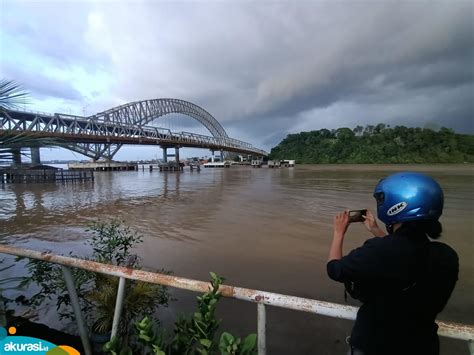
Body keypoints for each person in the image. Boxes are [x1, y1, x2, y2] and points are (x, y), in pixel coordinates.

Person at [327, 172, 459, 355]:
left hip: (374, 345)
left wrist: (338, 233)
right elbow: (404, 252)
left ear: (395, 204)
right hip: (423, 346)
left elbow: (334, 269)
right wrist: (375, 230)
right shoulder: (447, 256)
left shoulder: (378, 250)